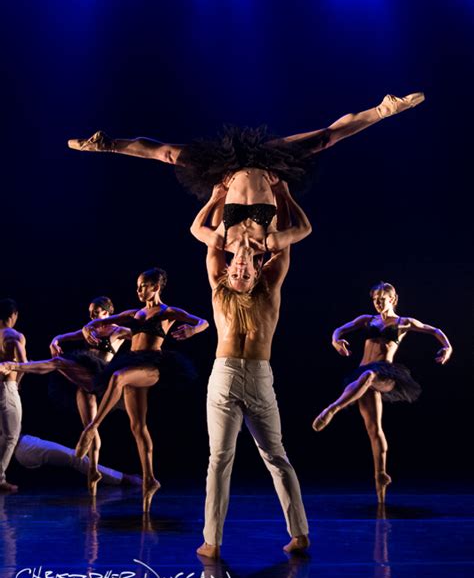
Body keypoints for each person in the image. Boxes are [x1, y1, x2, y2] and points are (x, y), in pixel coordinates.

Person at [192, 185, 311, 558]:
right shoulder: (218, 288)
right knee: (219, 459)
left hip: (259, 376)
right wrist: (214, 198)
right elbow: (204, 237)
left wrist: (285, 195)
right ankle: (212, 542)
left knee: (276, 455)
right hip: (224, 376)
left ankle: (300, 534)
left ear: (259, 268)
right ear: (227, 270)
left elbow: (292, 237)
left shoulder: (270, 287)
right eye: (236, 267)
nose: (240, 268)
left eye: (246, 268)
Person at [67, 93, 425, 201]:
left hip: (222, 167)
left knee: (168, 154)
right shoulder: (267, 239)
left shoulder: (226, 237)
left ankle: (108, 145)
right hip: (270, 163)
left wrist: (214, 195)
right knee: (324, 138)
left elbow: (205, 222)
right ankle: (383, 110)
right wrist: (281, 190)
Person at [71, 267, 209, 512]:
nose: (139, 290)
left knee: (117, 376)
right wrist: (86, 330)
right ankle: (149, 478)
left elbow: (203, 321)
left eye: (144, 285)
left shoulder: (168, 312)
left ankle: (92, 429)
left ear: (156, 287)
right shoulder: (133, 315)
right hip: (133, 363)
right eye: (137, 286)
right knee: (137, 426)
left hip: (154, 366)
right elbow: (98, 322)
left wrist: (192, 330)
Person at [312, 282, 453, 503]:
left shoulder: (403, 322)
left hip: (386, 374)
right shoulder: (367, 320)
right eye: (375, 299)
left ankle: (332, 410)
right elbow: (340, 329)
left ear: (393, 299)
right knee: (374, 429)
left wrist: (447, 348)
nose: (378, 303)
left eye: (382, 299)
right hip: (362, 376)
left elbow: (433, 330)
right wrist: (336, 341)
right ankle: (380, 479)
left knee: (369, 377)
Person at [0, 296, 131, 496]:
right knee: (90, 427)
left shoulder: (118, 331)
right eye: (90, 312)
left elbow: (140, 337)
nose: (92, 316)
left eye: (96, 312)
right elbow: (62, 337)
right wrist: (55, 341)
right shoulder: (90, 329)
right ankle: (93, 471)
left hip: (100, 377)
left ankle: (15, 365)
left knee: (59, 363)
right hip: (85, 382)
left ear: (107, 312)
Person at [190, 177, 312, 292]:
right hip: (266, 168)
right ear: (255, 273)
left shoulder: (222, 240)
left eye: (235, 275)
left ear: (228, 270)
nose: (241, 269)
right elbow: (305, 229)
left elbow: (195, 229)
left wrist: (214, 198)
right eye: (246, 276)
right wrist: (286, 194)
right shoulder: (269, 242)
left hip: (234, 168)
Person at [14, 434, 142, 486]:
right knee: (76, 457)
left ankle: (121, 478)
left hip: (23, 442)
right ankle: (122, 478)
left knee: (75, 456)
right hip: (21, 448)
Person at [0, 299, 26, 493]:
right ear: (13, 315)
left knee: (3, 435)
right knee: (11, 436)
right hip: (7, 387)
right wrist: (16, 383)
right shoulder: (14, 335)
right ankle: (0, 479)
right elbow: (24, 364)